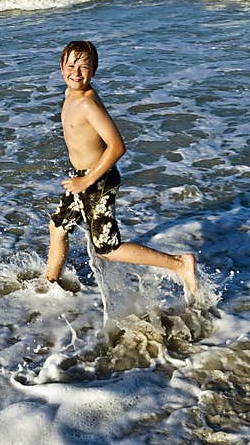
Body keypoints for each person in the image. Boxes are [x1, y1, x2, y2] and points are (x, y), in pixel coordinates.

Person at [45, 40, 199, 298]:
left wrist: (88, 181)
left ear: (94, 70)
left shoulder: (87, 103)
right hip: (82, 179)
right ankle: (49, 284)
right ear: (61, 68)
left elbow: (117, 146)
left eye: (84, 67)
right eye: (71, 65)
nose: (76, 72)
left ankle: (180, 264)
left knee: (107, 248)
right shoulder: (71, 94)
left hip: (97, 180)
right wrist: (81, 180)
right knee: (57, 227)